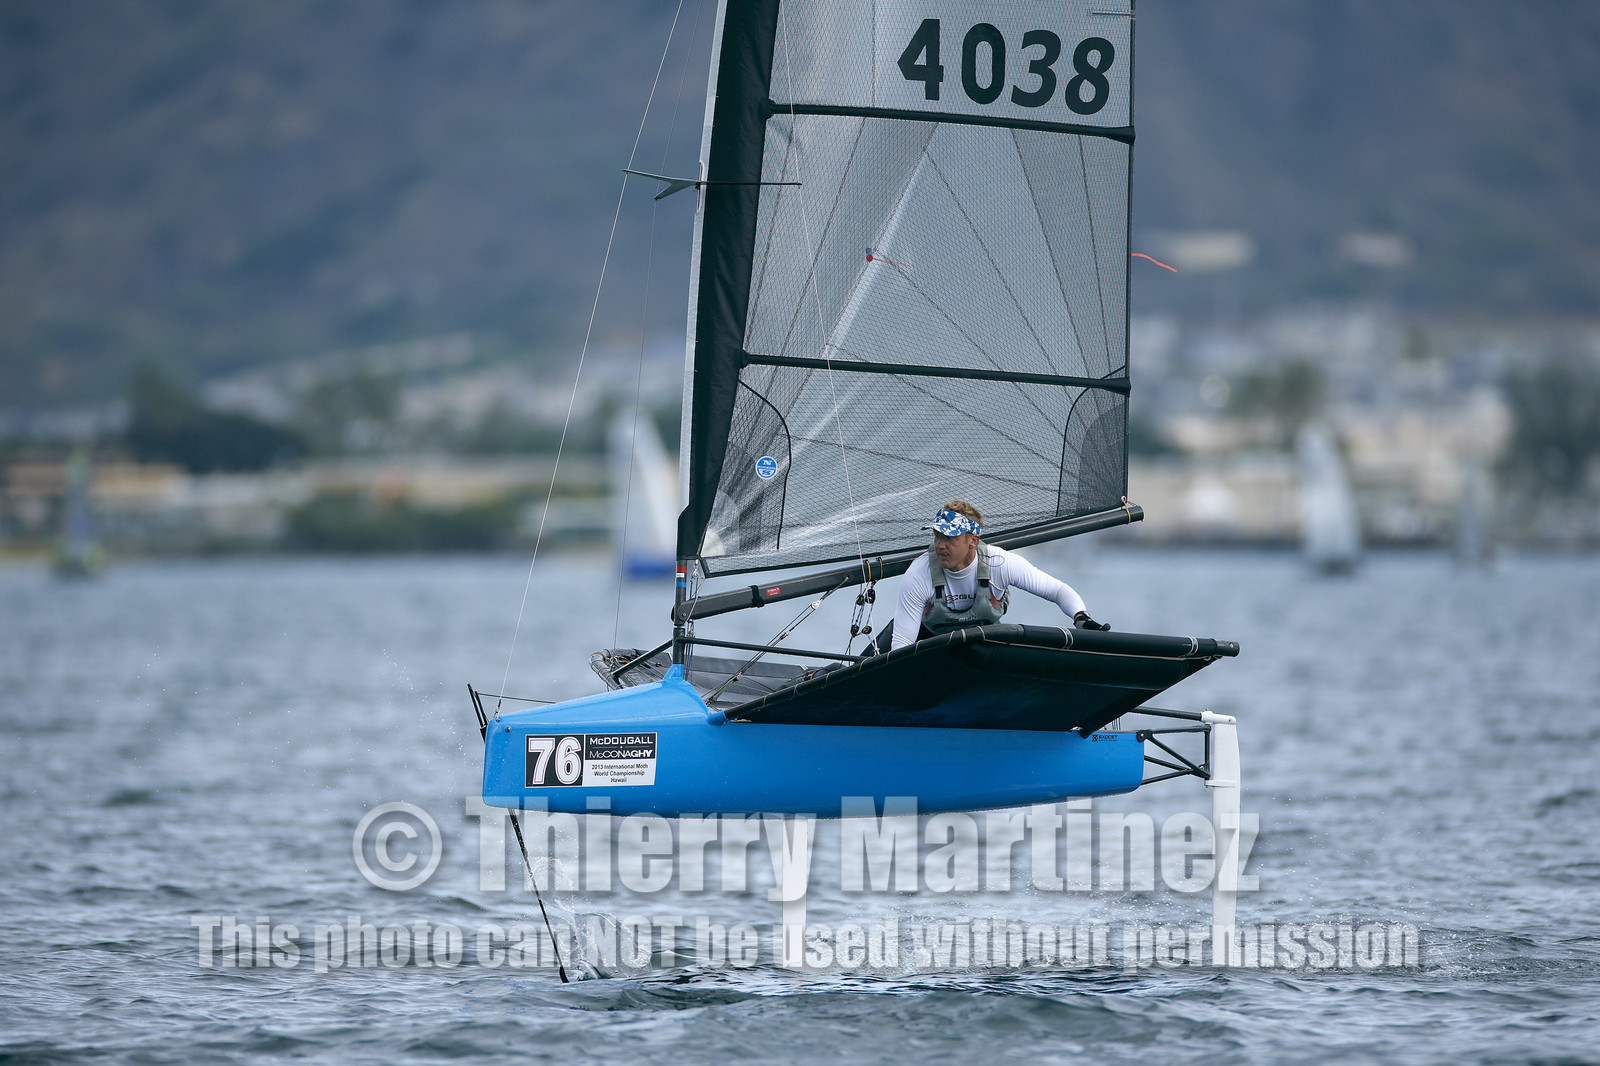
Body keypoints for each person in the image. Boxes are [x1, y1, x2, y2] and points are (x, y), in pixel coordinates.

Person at [884, 500, 1108, 651]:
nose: (940, 545)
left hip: (983, 647)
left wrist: (1081, 618)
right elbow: (902, 645)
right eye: (937, 536)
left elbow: (1057, 590)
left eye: (949, 538)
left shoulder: (998, 563)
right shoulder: (919, 573)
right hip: (930, 646)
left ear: (973, 540)